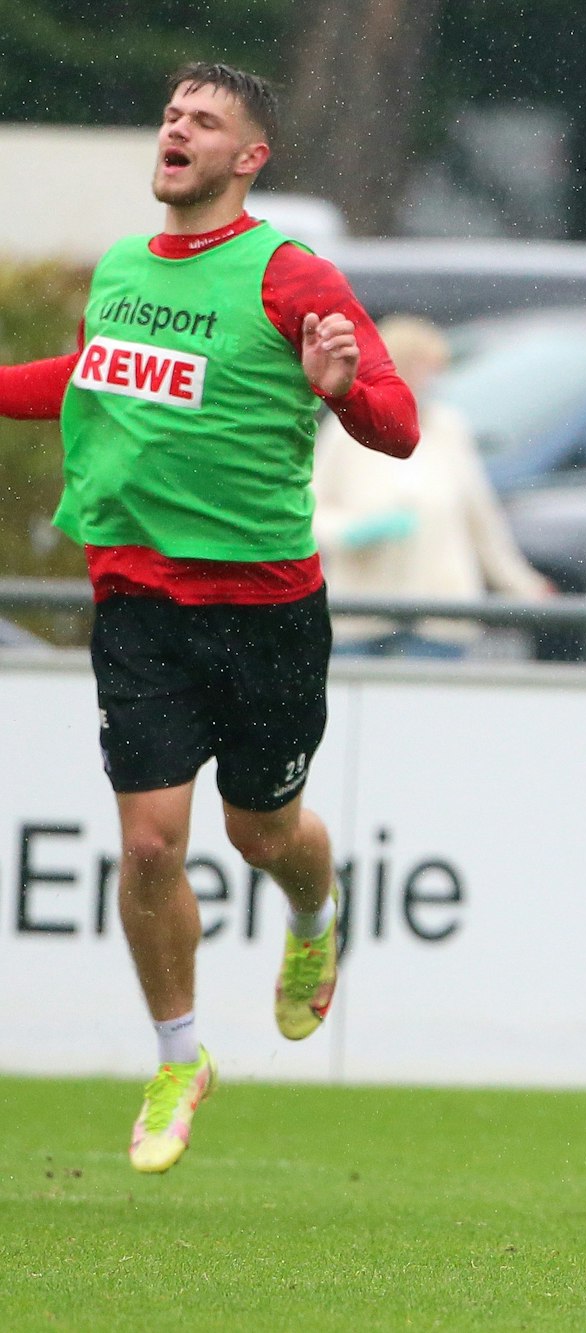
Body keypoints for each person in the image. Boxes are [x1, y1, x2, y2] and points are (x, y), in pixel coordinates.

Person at [0, 63, 418, 1173]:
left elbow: (400, 424)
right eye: (171, 113)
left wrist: (340, 389)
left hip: (265, 608)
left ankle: (315, 922)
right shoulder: (123, 266)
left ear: (249, 157)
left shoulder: (291, 275)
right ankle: (179, 1057)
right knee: (148, 842)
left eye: (205, 119)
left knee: (261, 834)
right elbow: (89, 379)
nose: (176, 128)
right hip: (139, 600)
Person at [314, 313, 551, 657]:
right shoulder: (346, 428)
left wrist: (525, 587)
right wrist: (351, 532)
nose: (435, 381)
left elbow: (481, 522)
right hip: (363, 612)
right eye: (428, 369)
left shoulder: (450, 428)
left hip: (440, 615)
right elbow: (310, 508)